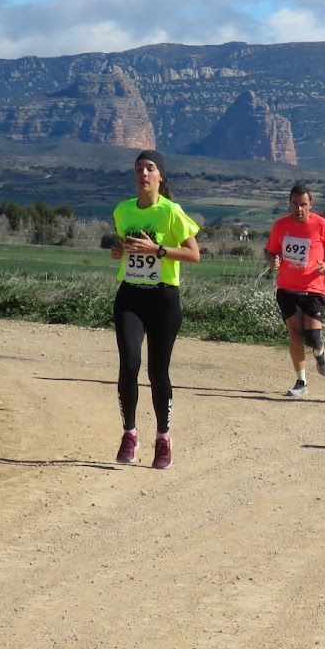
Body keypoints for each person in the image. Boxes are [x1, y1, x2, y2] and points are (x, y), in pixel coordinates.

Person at [110, 150, 201, 469]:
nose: (143, 174)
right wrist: (119, 250)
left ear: (161, 176)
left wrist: (158, 249)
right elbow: (122, 250)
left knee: (157, 372)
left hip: (163, 299)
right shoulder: (122, 211)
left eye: (150, 169)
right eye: (138, 169)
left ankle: (163, 439)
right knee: (130, 362)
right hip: (130, 297)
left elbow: (194, 254)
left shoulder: (171, 212)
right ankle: (129, 434)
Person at [265, 183, 325, 398]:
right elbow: (271, 251)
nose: (298, 209)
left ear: (311, 205)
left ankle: (319, 352)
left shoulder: (321, 225)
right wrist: (272, 261)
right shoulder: (280, 226)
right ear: (289, 204)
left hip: (314, 287)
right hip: (287, 287)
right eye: (294, 204)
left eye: (303, 204)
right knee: (295, 334)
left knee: (312, 335)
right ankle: (301, 382)